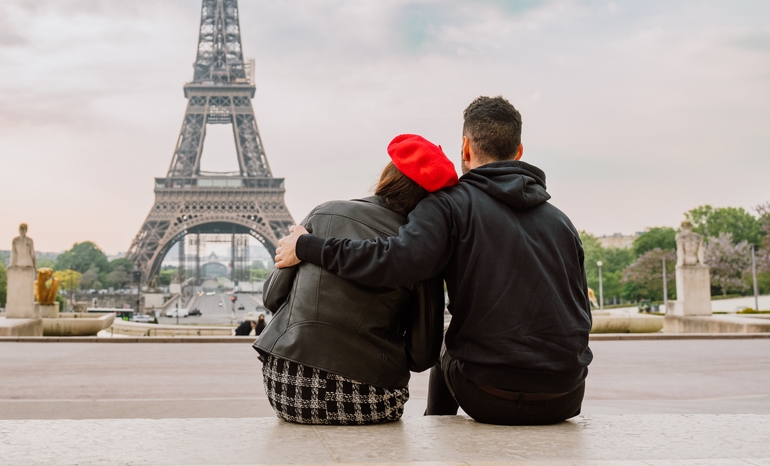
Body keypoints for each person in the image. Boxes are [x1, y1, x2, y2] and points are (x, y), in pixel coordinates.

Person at [274, 96, 592, 426]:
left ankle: (436, 427)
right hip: (567, 397)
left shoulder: (450, 205)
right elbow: (581, 309)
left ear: (466, 148)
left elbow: (394, 261)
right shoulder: (561, 222)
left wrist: (307, 246)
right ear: (519, 151)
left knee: (449, 349)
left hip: (489, 396)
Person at [253, 134, 457, 425]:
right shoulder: (421, 254)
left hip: (287, 387)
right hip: (370, 397)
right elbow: (422, 356)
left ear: (388, 174)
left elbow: (272, 297)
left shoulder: (322, 214)